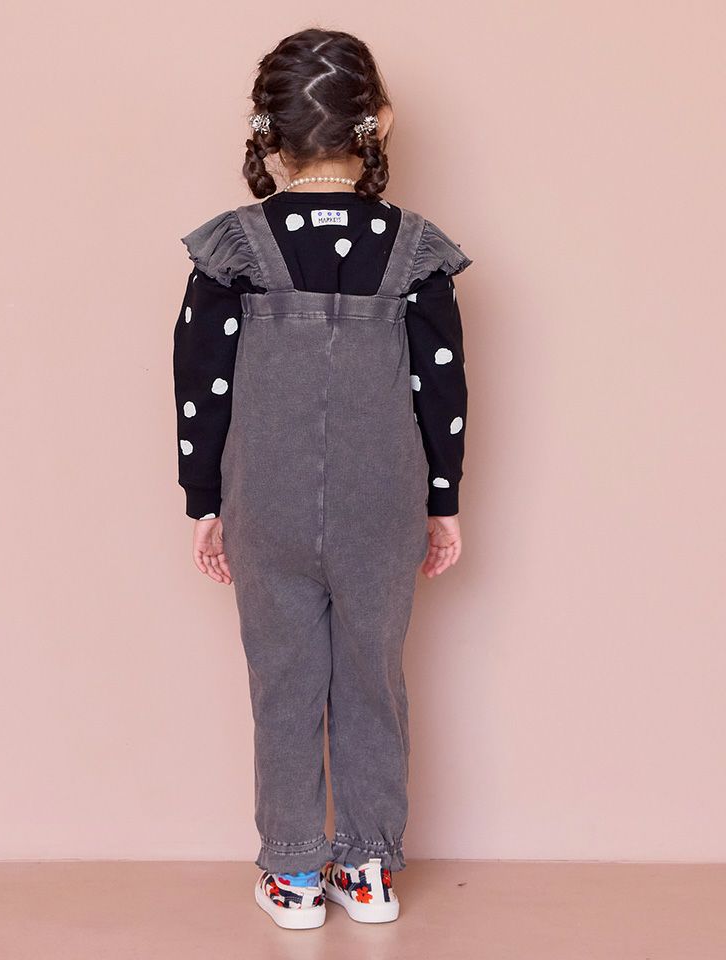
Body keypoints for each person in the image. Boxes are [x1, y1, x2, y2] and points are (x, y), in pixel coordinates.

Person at [172, 27, 472, 930]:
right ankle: (370, 869)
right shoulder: (413, 249)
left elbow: (202, 382)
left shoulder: (234, 247)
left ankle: (296, 875)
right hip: (385, 503)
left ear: (265, 131)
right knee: (375, 676)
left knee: (284, 680)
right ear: (380, 121)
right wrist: (444, 501)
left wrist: (204, 501)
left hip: (263, 500)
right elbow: (441, 383)